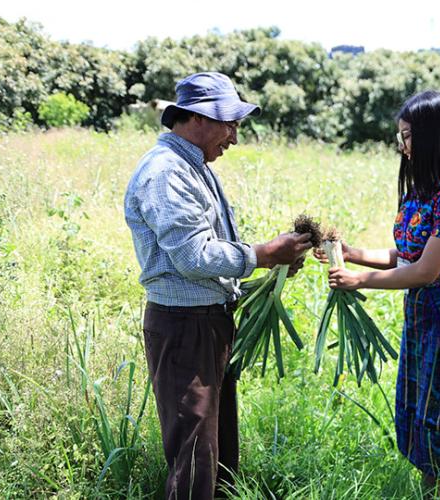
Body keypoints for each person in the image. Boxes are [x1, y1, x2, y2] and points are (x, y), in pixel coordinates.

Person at [124, 72, 312, 499]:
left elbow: (209, 264)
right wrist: (264, 253)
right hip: (184, 328)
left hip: (206, 323)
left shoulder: (195, 167)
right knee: (194, 460)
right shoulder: (166, 172)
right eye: (231, 124)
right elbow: (192, 258)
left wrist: (266, 274)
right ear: (199, 118)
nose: (234, 137)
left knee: (216, 453)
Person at [318, 90, 440, 493]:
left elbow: (427, 271)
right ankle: (430, 486)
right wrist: (353, 254)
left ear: (435, 136)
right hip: (423, 310)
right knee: (425, 399)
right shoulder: (423, 188)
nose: (403, 146)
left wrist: (358, 281)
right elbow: (406, 256)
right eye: (401, 136)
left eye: (409, 136)